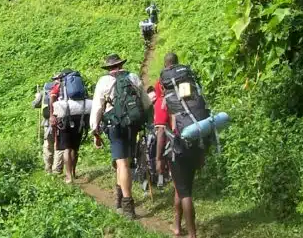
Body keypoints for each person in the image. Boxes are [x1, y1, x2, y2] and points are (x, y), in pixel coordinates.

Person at [90, 54, 151, 219]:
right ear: (122, 64)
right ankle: (118, 198)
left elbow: (97, 108)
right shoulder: (133, 77)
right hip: (132, 124)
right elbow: (146, 103)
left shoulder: (104, 82)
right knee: (125, 162)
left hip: (115, 126)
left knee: (122, 163)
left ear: (109, 68)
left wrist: (95, 131)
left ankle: (127, 206)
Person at [155, 52, 206, 238]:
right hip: (196, 143)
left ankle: (192, 234)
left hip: (177, 150)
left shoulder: (166, 101)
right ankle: (177, 227)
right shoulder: (191, 94)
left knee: (185, 193)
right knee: (182, 187)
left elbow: (161, 132)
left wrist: (158, 158)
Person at [49, 70, 89, 183]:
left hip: (64, 119)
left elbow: (52, 99)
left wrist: (52, 115)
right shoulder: (81, 84)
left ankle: (69, 176)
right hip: (80, 117)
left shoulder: (59, 85)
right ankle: (74, 172)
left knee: (67, 148)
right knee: (75, 148)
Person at [32, 83, 62, 174]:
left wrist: (37, 96)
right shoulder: (63, 91)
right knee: (59, 145)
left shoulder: (44, 92)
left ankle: (48, 169)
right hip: (61, 122)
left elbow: (34, 105)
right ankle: (57, 169)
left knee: (48, 145)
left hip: (47, 123)